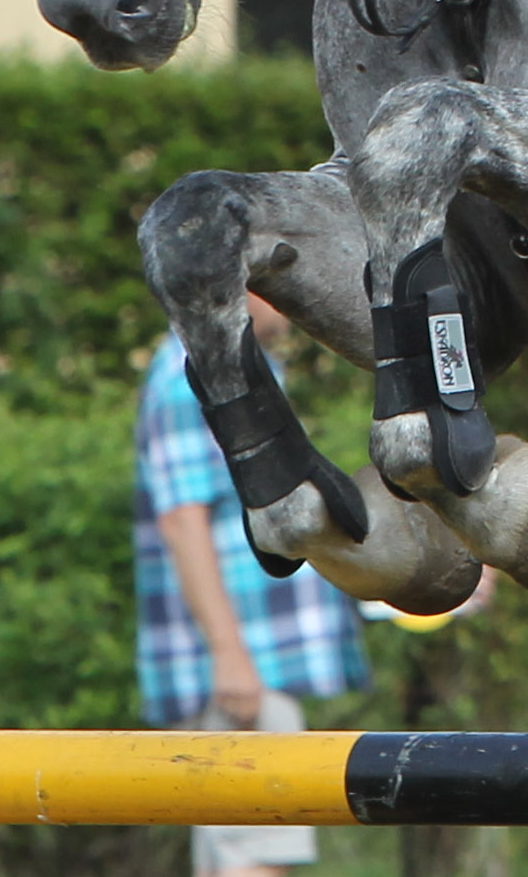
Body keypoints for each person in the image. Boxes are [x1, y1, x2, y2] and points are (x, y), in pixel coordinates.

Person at [135, 293, 369, 877]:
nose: (290, 289)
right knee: (254, 858)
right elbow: (182, 519)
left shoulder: (245, 374)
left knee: (242, 854)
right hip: (242, 671)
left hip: (255, 662)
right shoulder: (189, 381)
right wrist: (230, 655)